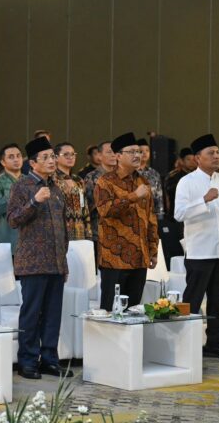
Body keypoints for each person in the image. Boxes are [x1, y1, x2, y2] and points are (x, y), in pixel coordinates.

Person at [8, 136, 70, 380]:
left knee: (53, 314)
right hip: (33, 263)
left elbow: (63, 228)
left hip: (56, 262)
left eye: (53, 156)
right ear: (32, 163)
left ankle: (50, 360)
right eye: (45, 158)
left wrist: (64, 261)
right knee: (32, 314)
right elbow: (13, 219)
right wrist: (34, 202)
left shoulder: (56, 188)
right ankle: (27, 361)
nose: (51, 161)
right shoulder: (22, 186)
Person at [175, 134, 219, 360]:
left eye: (217, 152)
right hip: (199, 251)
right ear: (197, 158)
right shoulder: (187, 182)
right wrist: (203, 199)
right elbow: (179, 214)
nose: (216, 156)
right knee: (192, 299)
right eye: (210, 153)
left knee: (217, 300)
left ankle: (214, 343)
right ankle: (184, 344)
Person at [95, 133, 158, 310]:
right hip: (115, 258)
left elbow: (151, 218)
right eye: (131, 152)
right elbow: (105, 210)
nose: (137, 155)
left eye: (138, 151)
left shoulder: (143, 181)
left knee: (134, 310)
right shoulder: (105, 181)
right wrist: (133, 196)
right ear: (118, 156)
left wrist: (153, 250)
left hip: (140, 257)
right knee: (111, 310)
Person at [84, 141, 117, 261]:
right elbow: (87, 207)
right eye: (109, 152)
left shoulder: (123, 176)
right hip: (99, 232)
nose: (113, 155)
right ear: (99, 155)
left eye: (115, 152)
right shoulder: (92, 177)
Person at [54, 142, 91, 241]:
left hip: (79, 232)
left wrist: (88, 233)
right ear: (56, 157)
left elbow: (84, 207)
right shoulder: (52, 180)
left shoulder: (78, 180)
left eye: (73, 154)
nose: (70, 157)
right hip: (60, 231)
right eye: (66, 154)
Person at [165, 147, 196, 218]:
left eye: (193, 160)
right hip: (177, 214)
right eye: (188, 159)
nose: (192, 162)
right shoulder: (174, 176)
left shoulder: (196, 175)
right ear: (181, 161)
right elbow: (172, 193)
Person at [137, 138, 164, 216]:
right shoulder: (130, 172)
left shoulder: (154, 173)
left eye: (147, 150)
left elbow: (159, 196)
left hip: (151, 213)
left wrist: (160, 214)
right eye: (141, 151)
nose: (145, 153)